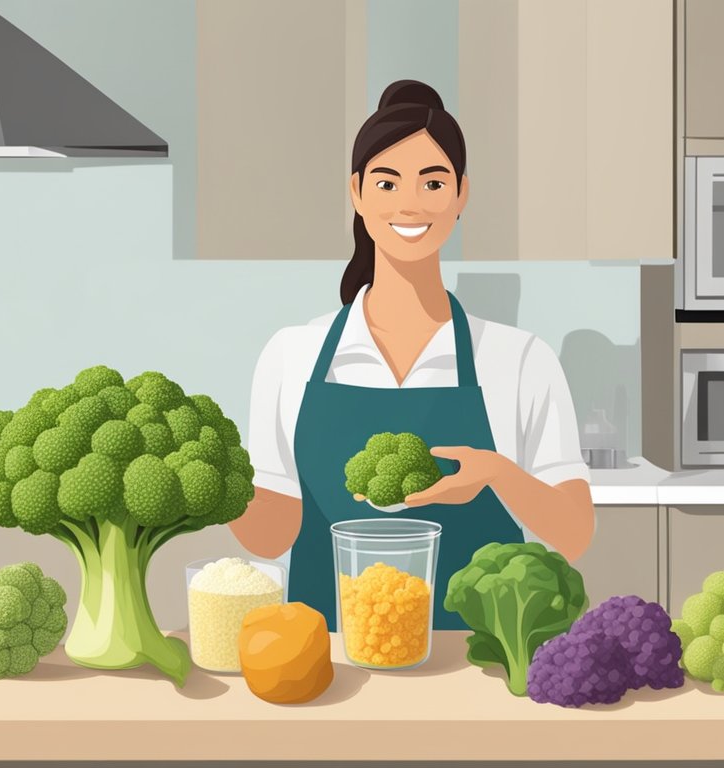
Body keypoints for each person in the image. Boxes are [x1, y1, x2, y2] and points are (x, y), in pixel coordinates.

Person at [229, 79, 595, 630]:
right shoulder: (292, 354)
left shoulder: (519, 360)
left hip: (483, 657)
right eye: (387, 181)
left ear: (460, 194)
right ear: (356, 192)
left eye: (432, 182)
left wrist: (497, 472)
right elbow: (271, 535)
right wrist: (213, 481)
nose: (410, 203)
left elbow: (574, 534)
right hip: (328, 652)